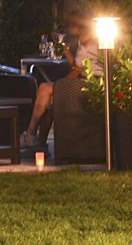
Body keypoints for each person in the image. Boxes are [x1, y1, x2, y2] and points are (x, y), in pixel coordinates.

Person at [20, 11, 102, 149]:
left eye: (69, 25)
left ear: (77, 24)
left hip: (91, 84)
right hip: (83, 81)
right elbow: (78, 66)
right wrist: (67, 53)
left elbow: (77, 71)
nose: (67, 28)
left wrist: (61, 85)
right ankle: (38, 144)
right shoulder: (83, 39)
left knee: (44, 89)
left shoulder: (91, 40)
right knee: (47, 99)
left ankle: (30, 134)